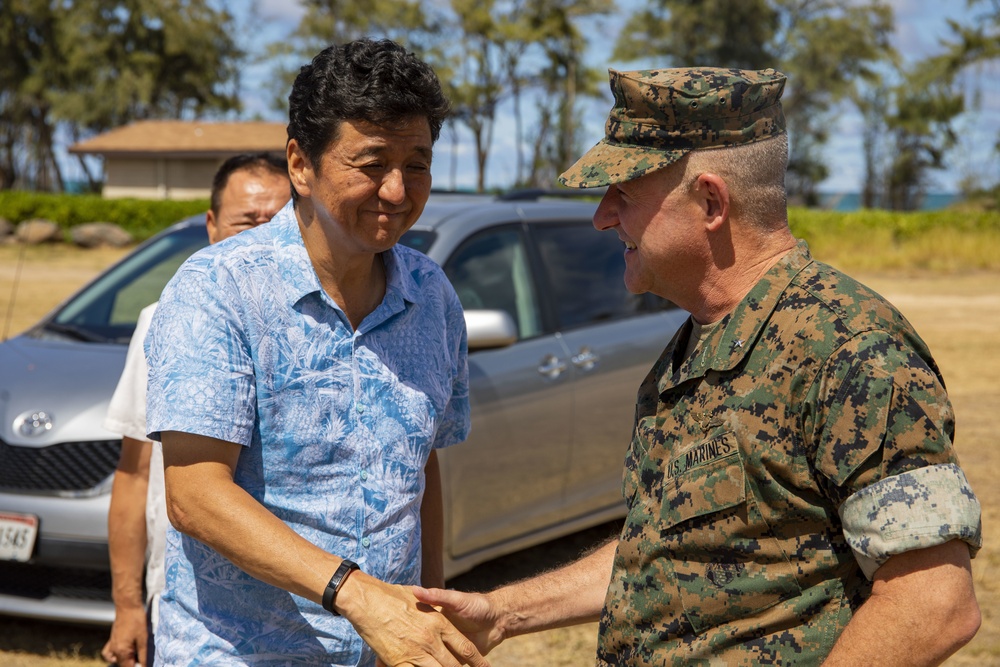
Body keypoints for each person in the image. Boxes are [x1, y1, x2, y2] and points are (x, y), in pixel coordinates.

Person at [413, 67, 983, 665]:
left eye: (624, 192)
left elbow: (933, 601)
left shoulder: (848, 349)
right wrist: (504, 613)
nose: (602, 217)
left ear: (711, 201)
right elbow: (665, 551)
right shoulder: (696, 348)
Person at [144, 39, 487, 667]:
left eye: (418, 163)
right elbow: (194, 494)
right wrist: (356, 595)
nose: (397, 190)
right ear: (301, 165)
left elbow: (420, 472)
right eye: (371, 162)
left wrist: (426, 612)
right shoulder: (218, 289)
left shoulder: (432, 296)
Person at [100, 152, 291, 667]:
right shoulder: (164, 320)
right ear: (211, 226)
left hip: (298, 614)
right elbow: (136, 474)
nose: (260, 237)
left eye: (277, 222)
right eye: (246, 221)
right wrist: (127, 606)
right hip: (189, 612)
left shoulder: (316, 328)